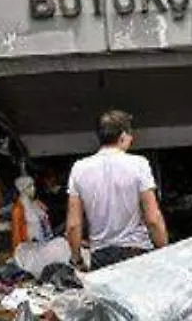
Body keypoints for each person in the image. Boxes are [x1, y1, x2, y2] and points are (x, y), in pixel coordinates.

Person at [66, 110, 168, 270]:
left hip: (101, 257)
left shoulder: (79, 169)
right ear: (122, 136)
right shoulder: (139, 165)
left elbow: (73, 224)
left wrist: (77, 259)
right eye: (130, 134)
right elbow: (153, 219)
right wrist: (164, 251)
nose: (132, 138)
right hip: (136, 253)